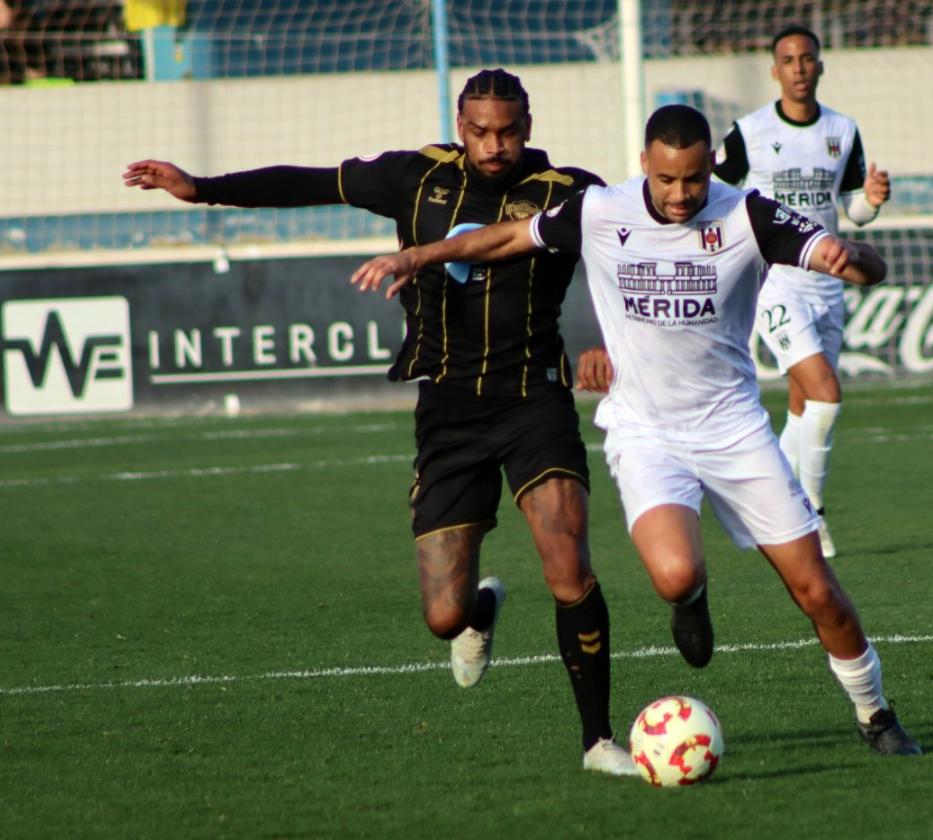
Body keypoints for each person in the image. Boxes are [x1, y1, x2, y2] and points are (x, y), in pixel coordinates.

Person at [350, 104, 921, 756]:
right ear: (645, 165)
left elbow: (852, 258)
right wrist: (421, 254)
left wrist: (857, 260)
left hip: (733, 427)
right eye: (668, 180)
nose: (681, 196)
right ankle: (693, 596)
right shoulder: (600, 210)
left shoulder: (747, 213)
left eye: (695, 181)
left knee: (817, 590)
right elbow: (507, 237)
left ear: (712, 168)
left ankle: (874, 712)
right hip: (646, 432)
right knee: (674, 576)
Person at [122, 68, 638, 776]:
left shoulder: (568, 192)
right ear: (461, 126)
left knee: (568, 563)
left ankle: (598, 740)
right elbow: (308, 182)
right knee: (442, 617)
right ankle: (478, 614)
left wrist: (609, 344)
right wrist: (200, 186)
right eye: (481, 131)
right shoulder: (413, 179)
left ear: (529, 124)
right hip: (449, 409)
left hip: (533, 399)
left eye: (510, 131)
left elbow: (630, 262)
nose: (496, 145)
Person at [713, 25, 892, 559]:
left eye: (806, 58)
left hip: (828, 283)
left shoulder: (842, 130)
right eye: (787, 59)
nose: (797, 67)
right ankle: (809, 513)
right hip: (776, 282)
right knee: (827, 393)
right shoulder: (749, 131)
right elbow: (717, 196)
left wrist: (873, 202)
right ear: (775, 71)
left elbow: (852, 211)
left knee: (803, 404)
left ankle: (770, 507)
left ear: (819, 66)